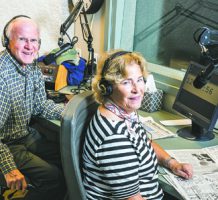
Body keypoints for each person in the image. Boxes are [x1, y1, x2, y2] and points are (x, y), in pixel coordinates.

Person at [82, 50, 193, 200]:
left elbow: (143, 142)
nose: (137, 89)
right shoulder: (114, 139)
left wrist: (172, 163)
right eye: (126, 82)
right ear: (106, 87)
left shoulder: (124, 113)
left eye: (139, 80)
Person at [0, 16, 66, 200]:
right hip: (6, 144)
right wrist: (8, 167)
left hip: (23, 135)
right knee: (55, 178)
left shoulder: (32, 68)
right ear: (7, 42)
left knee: (68, 158)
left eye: (33, 40)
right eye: (22, 39)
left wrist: (69, 113)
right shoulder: (1, 75)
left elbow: (40, 105)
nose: (29, 46)